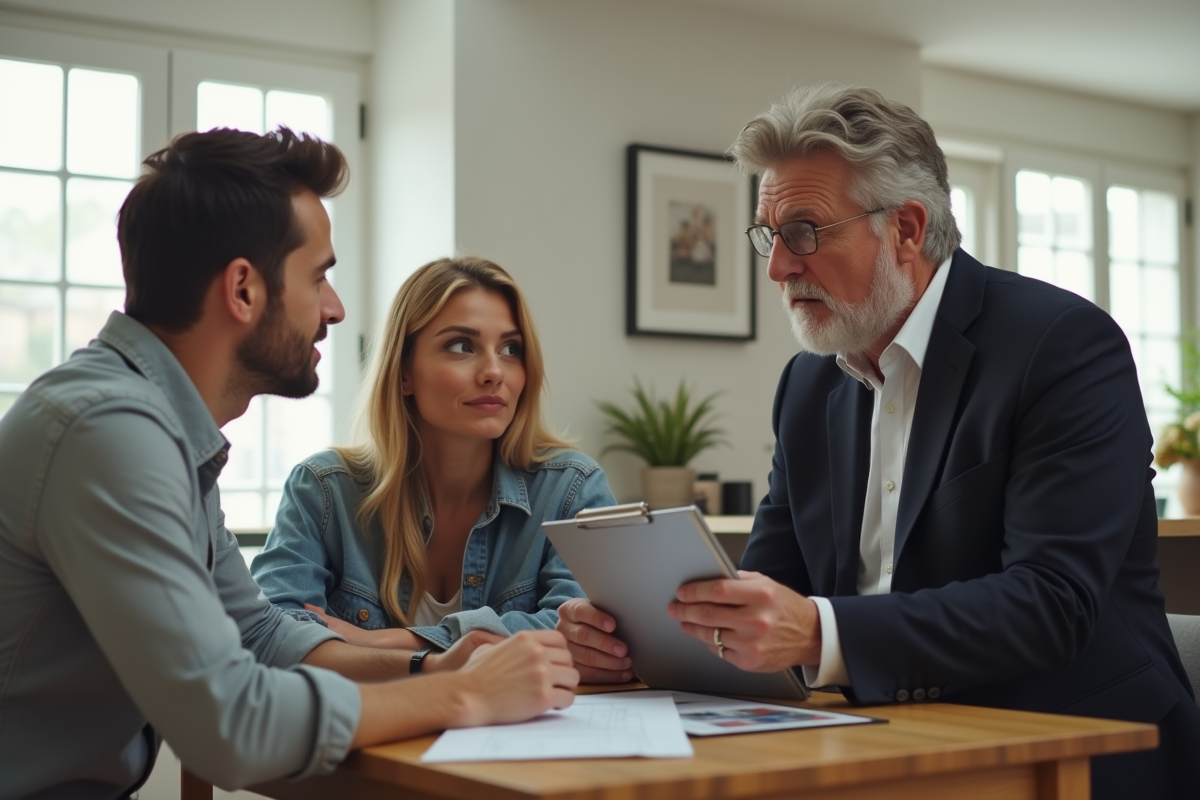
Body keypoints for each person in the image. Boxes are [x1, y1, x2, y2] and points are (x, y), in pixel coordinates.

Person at [558, 84, 1200, 799]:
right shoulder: (808, 387)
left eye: (804, 231)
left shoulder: (1062, 347)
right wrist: (638, 640)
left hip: (1077, 748)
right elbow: (773, 595)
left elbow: (1052, 603)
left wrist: (818, 632)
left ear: (905, 228)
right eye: (770, 236)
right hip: (884, 743)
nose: (778, 268)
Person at [0, 128, 578, 799]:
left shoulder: (162, 429)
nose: (333, 308)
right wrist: (463, 694)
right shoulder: (110, 433)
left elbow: (257, 632)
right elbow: (232, 727)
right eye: (319, 275)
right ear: (243, 289)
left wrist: (427, 667)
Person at [251, 256, 616, 653]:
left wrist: (390, 641)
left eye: (511, 348)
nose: (495, 371)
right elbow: (275, 636)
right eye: (462, 346)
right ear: (404, 371)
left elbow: (587, 628)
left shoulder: (571, 488)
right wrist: (487, 644)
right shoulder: (323, 491)